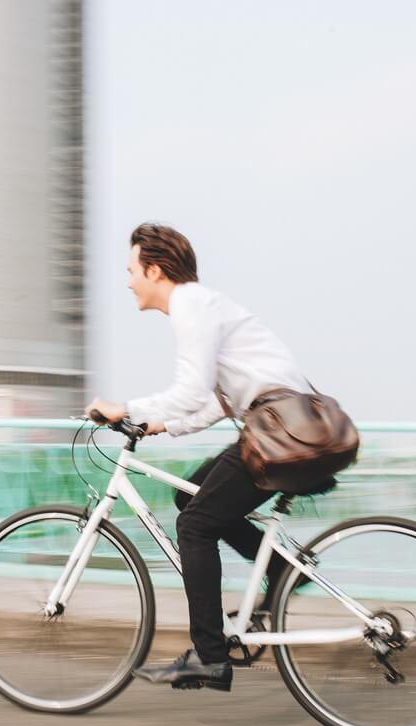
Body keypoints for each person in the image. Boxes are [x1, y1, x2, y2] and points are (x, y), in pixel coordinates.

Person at [84, 222, 315, 693]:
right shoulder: (203, 306)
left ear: (154, 269)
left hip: (278, 429)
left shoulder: (189, 304)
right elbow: (217, 401)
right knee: (190, 500)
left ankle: (210, 657)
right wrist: (157, 424)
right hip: (282, 425)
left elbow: (190, 391)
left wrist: (126, 408)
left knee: (194, 526)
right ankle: (281, 571)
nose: (127, 281)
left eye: (131, 270)